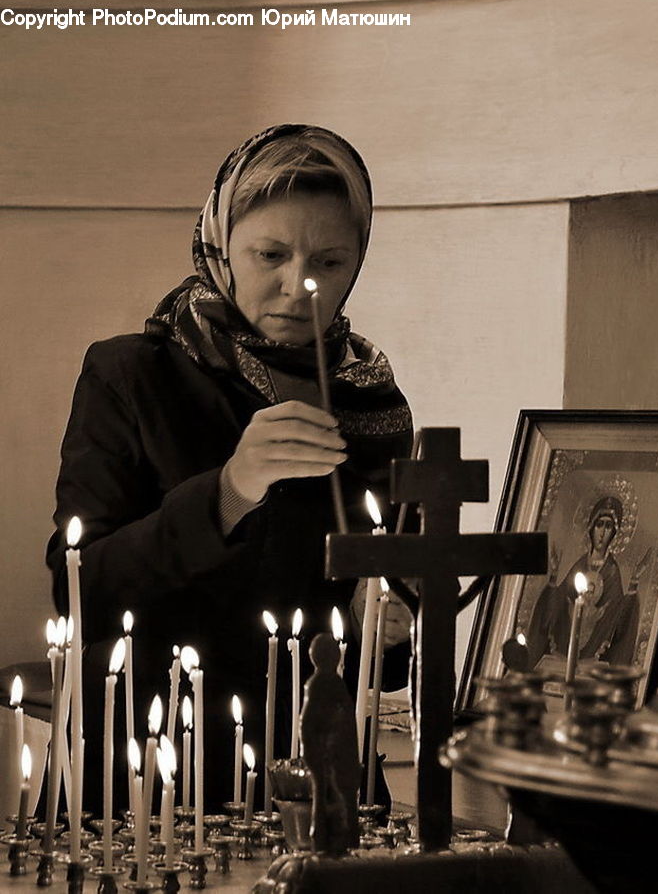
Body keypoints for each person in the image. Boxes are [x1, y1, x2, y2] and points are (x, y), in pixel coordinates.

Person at [45, 125, 415, 813]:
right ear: (220, 244)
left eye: (330, 262)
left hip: (313, 767)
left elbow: (383, 658)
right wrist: (227, 492)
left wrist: (387, 622)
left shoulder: (373, 401)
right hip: (150, 762)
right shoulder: (134, 374)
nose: (299, 284)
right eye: (270, 253)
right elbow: (82, 591)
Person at [525, 495, 641, 671]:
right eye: (599, 524)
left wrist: (632, 586)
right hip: (563, 652)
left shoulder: (612, 571)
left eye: (608, 527)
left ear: (614, 533)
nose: (602, 532)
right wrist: (554, 577)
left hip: (591, 659)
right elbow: (557, 604)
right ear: (591, 527)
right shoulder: (579, 565)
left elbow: (617, 613)